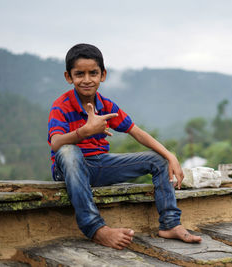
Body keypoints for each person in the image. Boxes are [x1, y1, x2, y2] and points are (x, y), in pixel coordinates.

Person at [48, 43, 202, 250]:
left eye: (93, 73)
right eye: (79, 74)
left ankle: (170, 223)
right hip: (68, 168)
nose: (86, 80)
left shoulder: (107, 106)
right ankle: (95, 228)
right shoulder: (62, 105)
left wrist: (171, 156)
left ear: (103, 75)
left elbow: (137, 132)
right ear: (69, 77)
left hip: (98, 166)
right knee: (68, 151)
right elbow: (56, 143)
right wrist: (85, 131)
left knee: (157, 159)